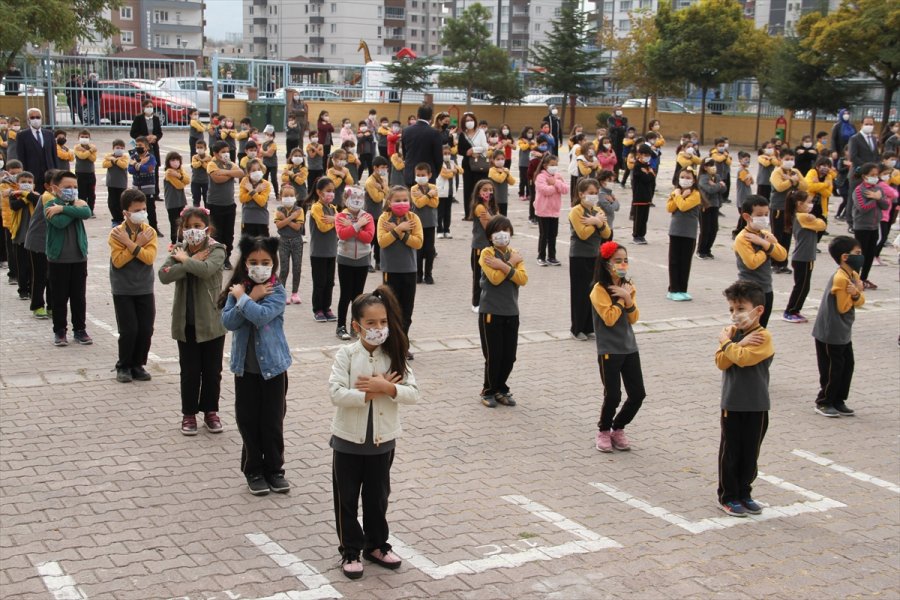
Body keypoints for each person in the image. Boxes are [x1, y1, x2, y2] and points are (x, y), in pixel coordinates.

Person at [328, 285, 418, 579]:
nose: (378, 328)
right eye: (371, 323)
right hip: (348, 442)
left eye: (382, 322)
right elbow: (336, 393)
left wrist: (388, 388)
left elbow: (412, 393)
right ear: (357, 326)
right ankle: (350, 550)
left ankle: (377, 545)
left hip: (382, 441)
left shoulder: (394, 354)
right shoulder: (346, 354)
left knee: (378, 497)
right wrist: (366, 394)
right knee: (347, 498)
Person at [221, 236, 291, 495]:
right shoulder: (238, 288)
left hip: (274, 368)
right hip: (246, 370)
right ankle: (254, 470)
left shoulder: (277, 290)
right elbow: (228, 322)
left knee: (272, 420)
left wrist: (245, 299)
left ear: (274, 263)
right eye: (253, 262)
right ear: (245, 263)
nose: (259, 267)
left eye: (265, 262)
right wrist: (247, 295)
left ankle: (275, 470)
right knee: (248, 420)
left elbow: (262, 317)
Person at [158, 206, 227, 435]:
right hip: (185, 322)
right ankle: (189, 415)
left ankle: (211, 412)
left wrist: (186, 262)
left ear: (207, 228)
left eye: (197, 226)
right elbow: (164, 275)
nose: (192, 231)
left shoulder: (217, 249)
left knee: (211, 371)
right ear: (181, 229)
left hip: (211, 323)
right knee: (189, 371)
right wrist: (190, 260)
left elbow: (206, 270)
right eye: (188, 227)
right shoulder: (179, 248)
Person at [714, 280, 774, 518]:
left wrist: (729, 343)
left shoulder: (763, 336)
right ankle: (728, 496)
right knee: (731, 452)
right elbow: (721, 361)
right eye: (731, 309)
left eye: (740, 309)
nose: (735, 315)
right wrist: (734, 343)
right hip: (732, 403)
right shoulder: (733, 334)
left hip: (757, 404)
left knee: (751, 451)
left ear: (758, 310)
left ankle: (744, 492)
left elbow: (743, 358)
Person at [591, 241, 644, 453]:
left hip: (629, 347)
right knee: (613, 395)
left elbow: (634, 318)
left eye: (625, 260)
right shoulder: (599, 290)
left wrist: (628, 299)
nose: (622, 264)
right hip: (609, 350)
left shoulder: (628, 286)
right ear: (606, 264)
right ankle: (603, 430)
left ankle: (618, 428)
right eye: (617, 261)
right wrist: (623, 299)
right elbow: (610, 318)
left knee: (638, 394)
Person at [811, 236, 865, 418]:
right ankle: (824, 401)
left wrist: (856, 293)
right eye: (857, 253)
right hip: (830, 331)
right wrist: (856, 292)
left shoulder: (854, 275)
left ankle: (838, 399)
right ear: (844, 257)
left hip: (843, 330)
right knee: (833, 368)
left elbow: (860, 302)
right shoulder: (841, 279)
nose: (861, 257)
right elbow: (843, 307)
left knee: (847, 365)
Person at [108, 189, 158, 383]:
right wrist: (136, 244)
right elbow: (118, 261)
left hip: (145, 287)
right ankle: (124, 365)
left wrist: (130, 244)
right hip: (123, 288)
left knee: (146, 329)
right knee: (129, 330)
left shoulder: (149, 231)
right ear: (126, 213)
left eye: (144, 209)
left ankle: (138, 364)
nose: (142, 213)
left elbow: (149, 258)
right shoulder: (117, 233)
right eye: (137, 210)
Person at [478, 215, 527, 407]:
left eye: (506, 231)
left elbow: (523, 279)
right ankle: (488, 390)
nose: (502, 235)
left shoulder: (514, 253)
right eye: (497, 231)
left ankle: (501, 388)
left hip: (511, 311)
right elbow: (495, 279)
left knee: (509, 355)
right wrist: (510, 265)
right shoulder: (487, 253)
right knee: (494, 355)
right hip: (491, 311)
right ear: (490, 236)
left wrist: (506, 265)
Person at [45, 171, 92, 347]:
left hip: (79, 257)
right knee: (59, 297)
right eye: (67, 187)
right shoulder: (49, 205)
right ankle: (60, 331)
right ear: (55, 188)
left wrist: (64, 208)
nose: (72, 190)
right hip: (58, 259)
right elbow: (60, 223)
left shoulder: (73, 204)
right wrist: (73, 208)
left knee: (78, 296)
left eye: (74, 187)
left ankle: (80, 330)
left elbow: (87, 212)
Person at [377, 186, 423, 351]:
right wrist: (398, 229)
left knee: (406, 312)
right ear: (389, 202)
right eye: (397, 200)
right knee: (390, 310)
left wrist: (400, 233)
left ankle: (403, 344)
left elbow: (418, 242)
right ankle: (390, 344)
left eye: (405, 200)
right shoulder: (384, 218)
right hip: (391, 270)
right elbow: (382, 242)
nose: (402, 203)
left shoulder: (413, 218)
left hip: (409, 270)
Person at [734, 196, 787, 327]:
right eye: (759, 215)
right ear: (747, 216)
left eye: (766, 214)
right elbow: (752, 262)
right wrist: (767, 247)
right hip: (749, 291)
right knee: (747, 328)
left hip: (766, 288)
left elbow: (782, 255)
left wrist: (764, 243)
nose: (764, 218)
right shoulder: (743, 238)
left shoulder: (764, 234)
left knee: (762, 327)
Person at [569, 178, 611, 339]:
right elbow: (583, 234)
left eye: (596, 193)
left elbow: (606, 233)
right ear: (581, 194)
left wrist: (597, 222)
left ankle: (588, 327)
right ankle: (577, 328)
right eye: (590, 193)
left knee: (593, 291)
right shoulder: (576, 211)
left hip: (595, 256)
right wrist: (596, 223)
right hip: (579, 256)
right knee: (579, 292)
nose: (594, 196)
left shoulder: (597, 210)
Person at [335, 187, 374, 340]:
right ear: (346, 200)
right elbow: (342, 235)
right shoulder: (340, 216)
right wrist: (358, 225)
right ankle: (340, 326)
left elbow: (368, 237)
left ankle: (355, 325)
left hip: (362, 259)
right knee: (345, 294)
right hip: (345, 259)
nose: (357, 202)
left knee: (358, 296)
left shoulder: (368, 217)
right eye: (353, 198)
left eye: (360, 199)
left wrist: (352, 227)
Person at [782, 190, 826, 323]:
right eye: (809, 202)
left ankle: (795, 310)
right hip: (803, 257)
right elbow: (822, 225)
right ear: (799, 204)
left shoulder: (804, 216)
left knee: (804, 286)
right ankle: (790, 311)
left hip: (806, 257)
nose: (811, 205)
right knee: (801, 286)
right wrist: (816, 218)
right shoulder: (803, 217)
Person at [851, 163, 890, 289]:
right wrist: (874, 199)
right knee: (860, 254)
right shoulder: (859, 190)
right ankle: (854, 279)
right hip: (861, 226)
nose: (875, 177)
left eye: (876, 175)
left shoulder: (879, 189)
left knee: (870, 254)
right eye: (872, 175)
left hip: (874, 226)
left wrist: (878, 198)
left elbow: (886, 205)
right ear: (864, 176)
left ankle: (864, 278)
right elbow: (863, 208)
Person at [206, 140, 245, 270]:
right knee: (216, 233)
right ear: (216, 153)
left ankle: (226, 258)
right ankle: (216, 259)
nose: (226, 154)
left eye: (227, 151)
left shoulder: (230, 164)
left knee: (229, 234)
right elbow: (217, 179)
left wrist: (225, 172)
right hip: (215, 204)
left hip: (229, 205)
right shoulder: (211, 164)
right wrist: (229, 174)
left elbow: (240, 173)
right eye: (223, 152)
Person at [769, 149, 809, 273]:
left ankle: (783, 263)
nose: (790, 161)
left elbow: (805, 186)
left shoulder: (795, 171)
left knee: (787, 236)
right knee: (777, 236)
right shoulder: (777, 172)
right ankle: (774, 263)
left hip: (790, 209)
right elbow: (779, 187)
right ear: (780, 159)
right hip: (778, 208)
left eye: (792, 159)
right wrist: (791, 181)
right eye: (787, 159)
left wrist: (795, 181)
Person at [24, 168, 55, 319]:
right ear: (48, 186)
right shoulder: (48, 197)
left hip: (50, 243)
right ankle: (37, 305)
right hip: (38, 242)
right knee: (40, 275)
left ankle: (52, 305)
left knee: (52, 275)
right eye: (62, 185)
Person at [667, 168, 701, 301]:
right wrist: (678, 195)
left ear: (693, 180)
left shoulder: (696, 194)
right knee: (674, 260)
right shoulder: (676, 192)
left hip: (689, 232)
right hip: (676, 230)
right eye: (682, 177)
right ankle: (673, 289)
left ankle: (682, 289)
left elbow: (683, 206)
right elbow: (670, 208)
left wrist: (679, 196)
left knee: (685, 261)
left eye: (688, 177)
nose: (685, 180)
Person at [309, 178, 339, 322]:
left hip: (332, 251)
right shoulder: (316, 207)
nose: (331, 194)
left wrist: (335, 219)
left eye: (332, 191)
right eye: (328, 191)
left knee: (329, 282)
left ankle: (327, 307)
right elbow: (323, 226)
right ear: (319, 192)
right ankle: (318, 309)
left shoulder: (333, 209)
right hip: (319, 252)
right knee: (319, 281)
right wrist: (336, 220)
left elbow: (340, 225)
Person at [846, 116, 882, 229]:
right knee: (854, 198)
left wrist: (876, 167)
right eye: (867, 124)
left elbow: (875, 155)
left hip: (871, 175)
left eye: (871, 124)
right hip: (859, 173)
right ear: (862, 124)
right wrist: (867, 168)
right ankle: (851, 221)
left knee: (868, 197)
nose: (869, 126)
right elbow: (853, 157)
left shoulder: (873, 139)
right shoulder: (855, 138)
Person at [534, 153, 569, 266]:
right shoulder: (540, 177)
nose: (554, 167)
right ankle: (541, 256)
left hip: (555, 211)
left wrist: (555, 183)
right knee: (544, 234)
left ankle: (552, 256)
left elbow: (565, 189)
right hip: (543, 211)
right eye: (552, 165)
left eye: (556, 164)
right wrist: (556, 187)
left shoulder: (557, 176)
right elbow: (545, 190)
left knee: (553, 234)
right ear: (545, 165)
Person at [7, 169, 36, 302]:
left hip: (34, 237)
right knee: (21, 264)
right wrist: (25, 195)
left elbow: (37, 200)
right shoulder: (14, 196)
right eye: (23, 182)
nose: (26, 184)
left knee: (32, 265)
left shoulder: (36, 196)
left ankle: (31, 289)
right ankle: (23, 289)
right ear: (17, 184)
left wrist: (28, 195)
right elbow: (15, 206)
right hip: (19, 235)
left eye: (29, 182)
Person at [274, 184, 305, 306]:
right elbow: (278, 225)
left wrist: (285, 219)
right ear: (281, 196)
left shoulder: (299, 210)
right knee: (284, 268)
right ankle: (282, 293)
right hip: (283, 241)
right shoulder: (279, 210)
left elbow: (298, 227)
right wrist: (291, 217)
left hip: (297, 241)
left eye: (291, 195)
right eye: (285, 195)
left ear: (295, 196)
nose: (288, 198)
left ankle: (295, 293)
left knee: (297, 267)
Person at [401, 105, 443, 188]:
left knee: (412, 198)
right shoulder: (435, 133)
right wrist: (434, 173)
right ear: (431, 117)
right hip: (427, 174)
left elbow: (405, 153)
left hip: (410, 174)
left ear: (417, 115)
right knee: (426, 199)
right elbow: (438, 158)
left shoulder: (406, 131)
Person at [410, 163, 439, 284]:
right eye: (418, 175)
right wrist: (427, 195)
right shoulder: (414, 189)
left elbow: (435, 204)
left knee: (429, 250)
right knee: (418, 250)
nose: (420, 177)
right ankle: (418, 274)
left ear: (429, 175)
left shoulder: (434, 187)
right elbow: (418, 204)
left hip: (430, 223)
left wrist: (423, 196)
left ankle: (428, 274)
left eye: (423, 175)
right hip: (417, 223)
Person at [128, 136, 162, 237]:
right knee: (136, 209)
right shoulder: (133, 157)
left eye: (141, 145)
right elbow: (130, 170)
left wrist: (136, 165)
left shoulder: (151, 157)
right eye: (137, 145)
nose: (138, 147)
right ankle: (136, 229)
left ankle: (154, 228)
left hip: (148, 188)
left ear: (146, 147)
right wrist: (139, 164)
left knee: (151, 209)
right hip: (136, 188)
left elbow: (149, 169)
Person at [16, 108, 55, 192]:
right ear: (28, 119)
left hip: (49, 173)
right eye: (32, 117)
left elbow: (54, 154)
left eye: (38, 117)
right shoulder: (22, 135)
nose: (35, 119)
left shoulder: (49, 134)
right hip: (32, 174)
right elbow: (21, 156)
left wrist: (56, 171)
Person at [457, 112, 487, 220]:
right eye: (467, 120)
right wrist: (467, 153)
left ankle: (480, 212)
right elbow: (460, 150)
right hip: (467, 164)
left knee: (479, 188)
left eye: (471, 120)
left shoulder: (481, 132)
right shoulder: (462, 135)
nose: (469, 122)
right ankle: (469, 214)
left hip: (479, 163)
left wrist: (474, 150)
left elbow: (485, 147)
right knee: (468, 189)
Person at [697, 157, 725, 259]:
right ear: (705, 167)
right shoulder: (703, 178)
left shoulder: (716, 176)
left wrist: (717, 185)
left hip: (715, 205)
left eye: (714, 165)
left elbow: (723, 189)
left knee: (714, 229)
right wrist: (719, 185)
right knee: (705, 229)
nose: (713, 167)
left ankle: (708, 249)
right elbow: (710, 190)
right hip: (705, 205)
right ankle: (701, 250)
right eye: (710, 165)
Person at [240, 159, 273, 238]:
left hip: (261, 220)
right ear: (248, 172)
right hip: (247, 219)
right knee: (248, 246)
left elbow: (262, 201)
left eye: (258, 169)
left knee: (263, 246)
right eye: (253, 170)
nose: (257, 172)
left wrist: (252, 191)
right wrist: (256, 191)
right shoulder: (245, 181)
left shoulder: (265, 184)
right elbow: (242, 198)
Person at [630, 145, 656, 245]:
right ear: (639, 154)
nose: (647, 157)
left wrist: (649, 173)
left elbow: (652, 178)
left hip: (647, 197)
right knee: (639, 218)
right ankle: (636, 235)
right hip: (639, 196)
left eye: (648, 155)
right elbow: (646, 179)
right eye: (645, 155)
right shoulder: (637, 166)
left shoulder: (647, 166)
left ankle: (642, 235)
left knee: (644, 218)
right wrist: (650, 174)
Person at [163, 152, 190, 242]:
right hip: (172, 202)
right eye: (173, 160)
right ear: (168, 162)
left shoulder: (180, 170)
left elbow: (188, 180)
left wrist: (179, 175)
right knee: (174, 224)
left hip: (181, 201)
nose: (176, 162)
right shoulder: (169, 172)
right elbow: (180, 185)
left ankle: (181, 240)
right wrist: (181, 178)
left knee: (182, 223)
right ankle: (173, 241)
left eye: (177, 160)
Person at [437, 145, 462, 240]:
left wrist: (453, 170)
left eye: (448, 153)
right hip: (441, 192)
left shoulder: (452, 162)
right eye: (445, 153)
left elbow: (461, 170)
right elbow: (444, 174)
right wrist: (453, 171)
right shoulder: (439, 163)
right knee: (440, 212)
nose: (447, 155)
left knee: (448, 212)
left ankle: (447, 230)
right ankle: (439, 230)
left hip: (450, 191)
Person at [103, 139, 129, 226]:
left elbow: (123, 165)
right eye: (117, 147)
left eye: (122, 148)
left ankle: (121, 219)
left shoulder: (125, 157)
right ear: (113, 148)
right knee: (112, 203)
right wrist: (112, 159)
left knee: (120, 202)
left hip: (121, 184)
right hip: (111, 183)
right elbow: (105, 164)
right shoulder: (108, 156)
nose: (119, 149)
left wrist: (114, 160)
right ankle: (115, 219)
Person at [72, 131, 96, 216]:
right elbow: (81, 156)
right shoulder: (76, 147)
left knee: (91, 194)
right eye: (82, 136)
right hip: (80, 173)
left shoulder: (92, 147)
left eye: (86, 137)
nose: (84, 138)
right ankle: (82, 209)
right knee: (81, 193)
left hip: (90, 173)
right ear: (78, 138)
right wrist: (90, 151)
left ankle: (91, 210)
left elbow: (93, 158)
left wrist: (86, 150)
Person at [607, 108, 628, 183]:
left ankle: (616, 178)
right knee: (612, 159)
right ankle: (610, 176)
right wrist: (620, 128)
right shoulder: (610, 119)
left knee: (619, 159)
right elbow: (612, 128)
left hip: (621, 142)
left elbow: (626, 128)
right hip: (613, 142)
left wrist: (619, 128)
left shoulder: (624, 119)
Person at [517, 127, 536, 200]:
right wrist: (528, 143)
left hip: (530, 163)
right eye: (529, 132)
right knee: (523, 179)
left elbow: (534, 148)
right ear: (525, 132)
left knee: (530, 179)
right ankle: (521, 193)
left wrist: (530, 143)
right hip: (522, 163)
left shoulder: (532, 141)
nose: (530, 134)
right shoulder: (521, 140)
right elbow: (523, 147)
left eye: (531, 132)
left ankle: (529, 194)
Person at [190, 139, 211, 208]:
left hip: (206, 181)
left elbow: (207, 167)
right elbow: (195, 165)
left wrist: (201, 160)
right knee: (196, 200)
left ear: (205, 148)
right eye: (198, 147)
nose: (199, 149)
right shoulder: (194, 157)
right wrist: (202, 161)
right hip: (195, 181)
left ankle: (207, 214)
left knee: (207, 200)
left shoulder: (209, 157)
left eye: (201, 147)